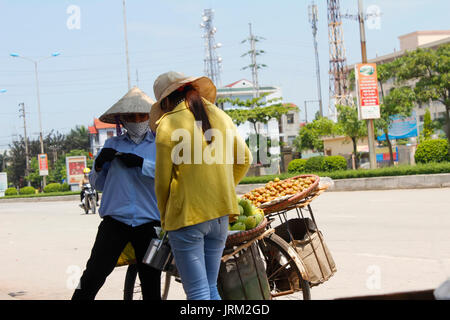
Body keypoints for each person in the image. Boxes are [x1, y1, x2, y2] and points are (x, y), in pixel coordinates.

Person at [150, 71, 252, 300]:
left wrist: (165, 218)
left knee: (198, 293)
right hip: (221, 216)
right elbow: (245, 159)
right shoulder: (222, 116)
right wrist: (223, 189)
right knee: (210, 288)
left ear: (165, 100)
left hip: (188, 218)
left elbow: (162, 182)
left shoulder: (168, 123)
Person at [72, 87, 162, 300]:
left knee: (151, 286)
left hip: (149, 225)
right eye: (131, 116)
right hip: (115, 222)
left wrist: (142, 164)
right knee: (92, 276)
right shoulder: (111, 145)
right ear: (122, 120)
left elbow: (170, 177)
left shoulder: (160, 146)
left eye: (142, 115)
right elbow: (98, 184)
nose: (137, 120)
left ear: (149, 118)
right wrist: (100, 164)